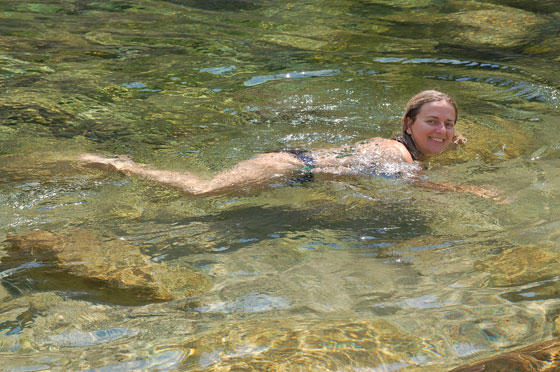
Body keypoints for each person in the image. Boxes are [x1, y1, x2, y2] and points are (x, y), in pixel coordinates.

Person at [79, 90, 496, 198]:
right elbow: (414, 188)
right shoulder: (396, 153)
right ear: (408, 122)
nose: (441, 130)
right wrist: (470, 189)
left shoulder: (414, 148)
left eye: (448, 124)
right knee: (199, 190)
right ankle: (122, 165)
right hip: (285, 168)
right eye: (432, 122)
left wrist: (452, 141)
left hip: (294, 172)